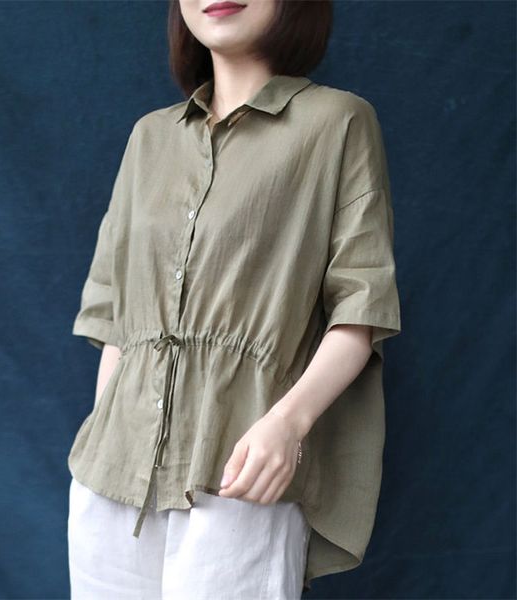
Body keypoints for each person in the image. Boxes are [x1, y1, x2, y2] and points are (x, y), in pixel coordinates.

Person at [66, 0, 402, 598]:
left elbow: (362, 306)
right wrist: (102, 433)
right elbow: (117, 317)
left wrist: (288, 425)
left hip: (241, 464)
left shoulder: (337, 123)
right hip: (110, 472)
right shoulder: (150, 137)